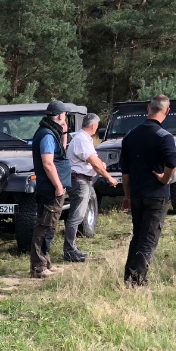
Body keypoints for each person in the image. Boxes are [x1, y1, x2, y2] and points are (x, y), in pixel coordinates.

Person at [120, 95, 176, 287]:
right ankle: (137, 281)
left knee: (138, 235)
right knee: (149, 238)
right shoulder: (164, 136)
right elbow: (172, 162)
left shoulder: (130, 135)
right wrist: (165, 178)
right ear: (167, 111)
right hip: (156, 194)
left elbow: (125, 171)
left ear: (148, 108)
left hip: (136, 193)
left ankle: (129, 277)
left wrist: (127, 195)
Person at [63, 112, 118, 262]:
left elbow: (93, 160)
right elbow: (94, 162)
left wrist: (100, 164)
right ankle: (69, 250)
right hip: (79, 181)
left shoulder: (83, 138)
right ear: (93, 126)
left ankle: (71, 248)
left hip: (81, 179)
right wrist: (109, 177)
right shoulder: (82, 139)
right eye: (97, 125)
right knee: (76, 216)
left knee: (78, 215)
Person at [29, 101, 72, 279]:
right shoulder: (46, 135)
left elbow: (61, 152)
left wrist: (64, 132)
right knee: (44, 225)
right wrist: (58, 186)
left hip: (52, 187)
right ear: (61, 116)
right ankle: (38, 267)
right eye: (65, 115)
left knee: (51, 225)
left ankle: (45, 262)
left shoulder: (51, 132)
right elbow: (48, 163)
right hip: (51, 188)